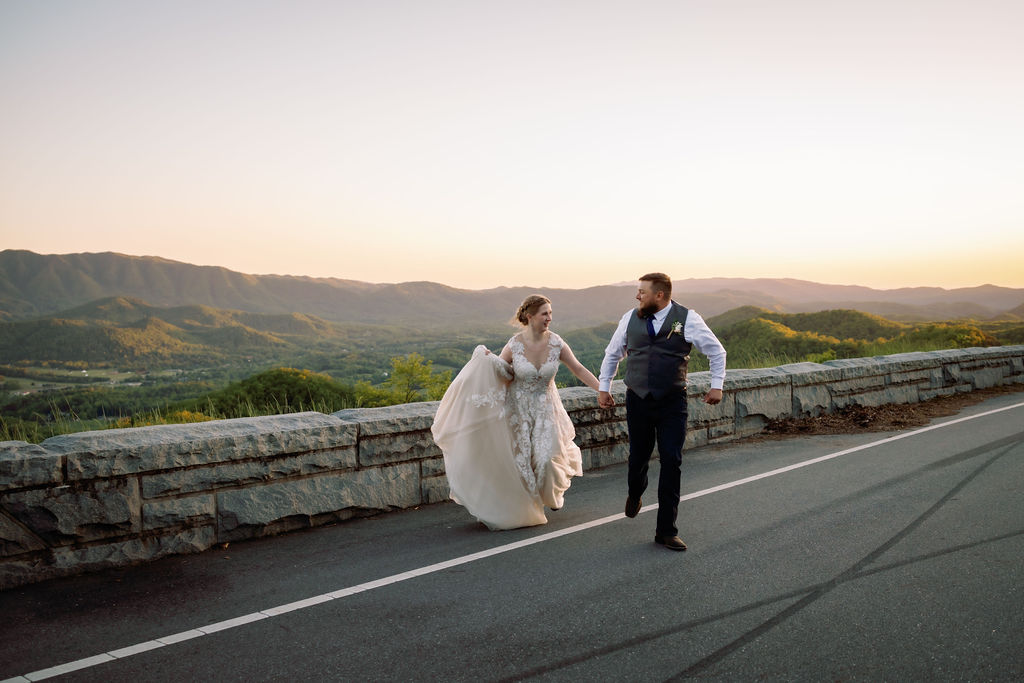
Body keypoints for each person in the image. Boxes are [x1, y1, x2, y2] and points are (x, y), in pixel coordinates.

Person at [432, 295, 600, 529]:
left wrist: (601, 390)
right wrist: (488, 361)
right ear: (529, 317)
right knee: (523, 464)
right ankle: (528, 507)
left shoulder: (557, 343)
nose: (549, 318)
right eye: (544, 313)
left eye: (550, 313)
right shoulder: (514, 344)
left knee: (547, 459)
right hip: (518, 411)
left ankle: (551, 497)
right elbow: (502, 372)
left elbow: (579, 369)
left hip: (546, 411)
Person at [598, 273, 726, 551]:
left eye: (641, 291)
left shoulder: (688, 319)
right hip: (638, 399)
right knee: (638, 458)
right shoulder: (628, 318)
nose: (637, 296)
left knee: (672, 460)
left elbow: (717, 352)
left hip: (672, 401)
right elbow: (612, 353)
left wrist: (717, 386)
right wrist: (603, 387)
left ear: (659, 295)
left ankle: (666, 530)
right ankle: (635, 492)